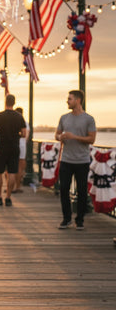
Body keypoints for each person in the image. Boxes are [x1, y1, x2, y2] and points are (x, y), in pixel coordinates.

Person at [55, 90, 96, 230]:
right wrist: (60, 137)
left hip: (82, 161)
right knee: (64, 189)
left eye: (70, 99)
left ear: (78, 100)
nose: (67, 101)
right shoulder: (64, 118)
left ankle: (80, 220)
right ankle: (66, 219)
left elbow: (92, 139)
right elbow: (57, 134)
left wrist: (74, 137)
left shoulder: (88, 119)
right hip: (66, 160)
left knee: (82, 191)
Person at [0, 94, 26, 207]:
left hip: (1, 146)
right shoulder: (19, 116)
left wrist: (0, 132)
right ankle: (8, 198)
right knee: (12, 172)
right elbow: (24, 133)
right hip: (14, 147)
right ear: (14, 103)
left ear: (5, 102)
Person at [13, 107, 29, 193]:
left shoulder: (13, 122)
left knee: (11, 166)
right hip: (22, 146)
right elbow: (26, 136)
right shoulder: (25, 123)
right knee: (19, 167)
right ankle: (17, 186)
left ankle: (10, 186)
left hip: (13, 145)